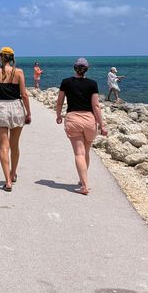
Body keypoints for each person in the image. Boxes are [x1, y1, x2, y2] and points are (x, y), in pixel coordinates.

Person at [56, 57, 108, 196]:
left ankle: (84, 185)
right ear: (86, 69)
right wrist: (102, 125)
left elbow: (60, 102)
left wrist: (58, 115)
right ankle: (82, 179)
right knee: (85, 151)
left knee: (79, 153)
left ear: (75, 68)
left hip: (73, 119)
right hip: (90, 120)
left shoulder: (66, 82)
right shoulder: (92, 84)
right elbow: (96, 106)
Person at [0, 47, 31, 192]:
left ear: (0, 57)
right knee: (14, 145)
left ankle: (8, 181)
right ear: (11, 58)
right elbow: (24, 94)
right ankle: (13, 173)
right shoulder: (19, 72)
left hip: (1, 108)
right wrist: (28, 112)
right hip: (17, 107)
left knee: (3, 146)